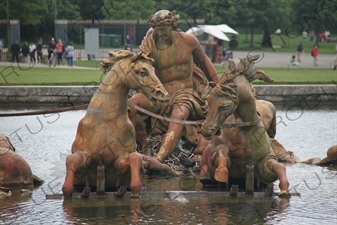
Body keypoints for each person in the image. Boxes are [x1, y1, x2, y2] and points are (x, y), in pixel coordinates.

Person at [129, 10, 219, 162]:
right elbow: (139, 68)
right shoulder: (151, 42)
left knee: (178, 114)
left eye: (164, 29)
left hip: (185, 93)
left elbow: (206, 65)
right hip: (159, 94)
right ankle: (140, 148)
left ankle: (159, 159)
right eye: (157, 30)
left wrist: (220, 88)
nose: (161, 33)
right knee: (131, 105)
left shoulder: (189, 41)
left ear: (173, 25)